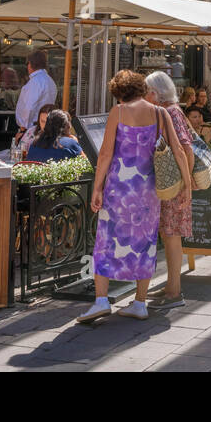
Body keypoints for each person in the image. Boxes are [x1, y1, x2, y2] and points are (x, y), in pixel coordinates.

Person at [79, 70, 188, 324]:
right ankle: (140, 302)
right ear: (141, 88)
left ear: (118, 92)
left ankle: (101, 301)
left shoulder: (118, 112)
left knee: (106, 241)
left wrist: (97, 188)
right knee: (145, 242)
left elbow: (105, 153)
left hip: (119, 188)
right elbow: (179, 151)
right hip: (148, 191)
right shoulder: (160, 113)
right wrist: (187, 187)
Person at [144, 70, 195, 310]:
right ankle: (171, 286)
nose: (145, 96)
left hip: (174, 186)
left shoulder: (171, 112)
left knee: (172, 236)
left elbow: (186, 149)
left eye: (147, 91)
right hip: (173, 184)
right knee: (169, 234)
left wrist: (185, 184)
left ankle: (175, 292)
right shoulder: (171, 111)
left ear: (156, 93)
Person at [14, 49, 57, 131]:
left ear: (30, 64)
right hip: (44, 125)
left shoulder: (35, 82)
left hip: (32, 128)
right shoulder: (50, 81)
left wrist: (23, 129)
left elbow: (29, 107)